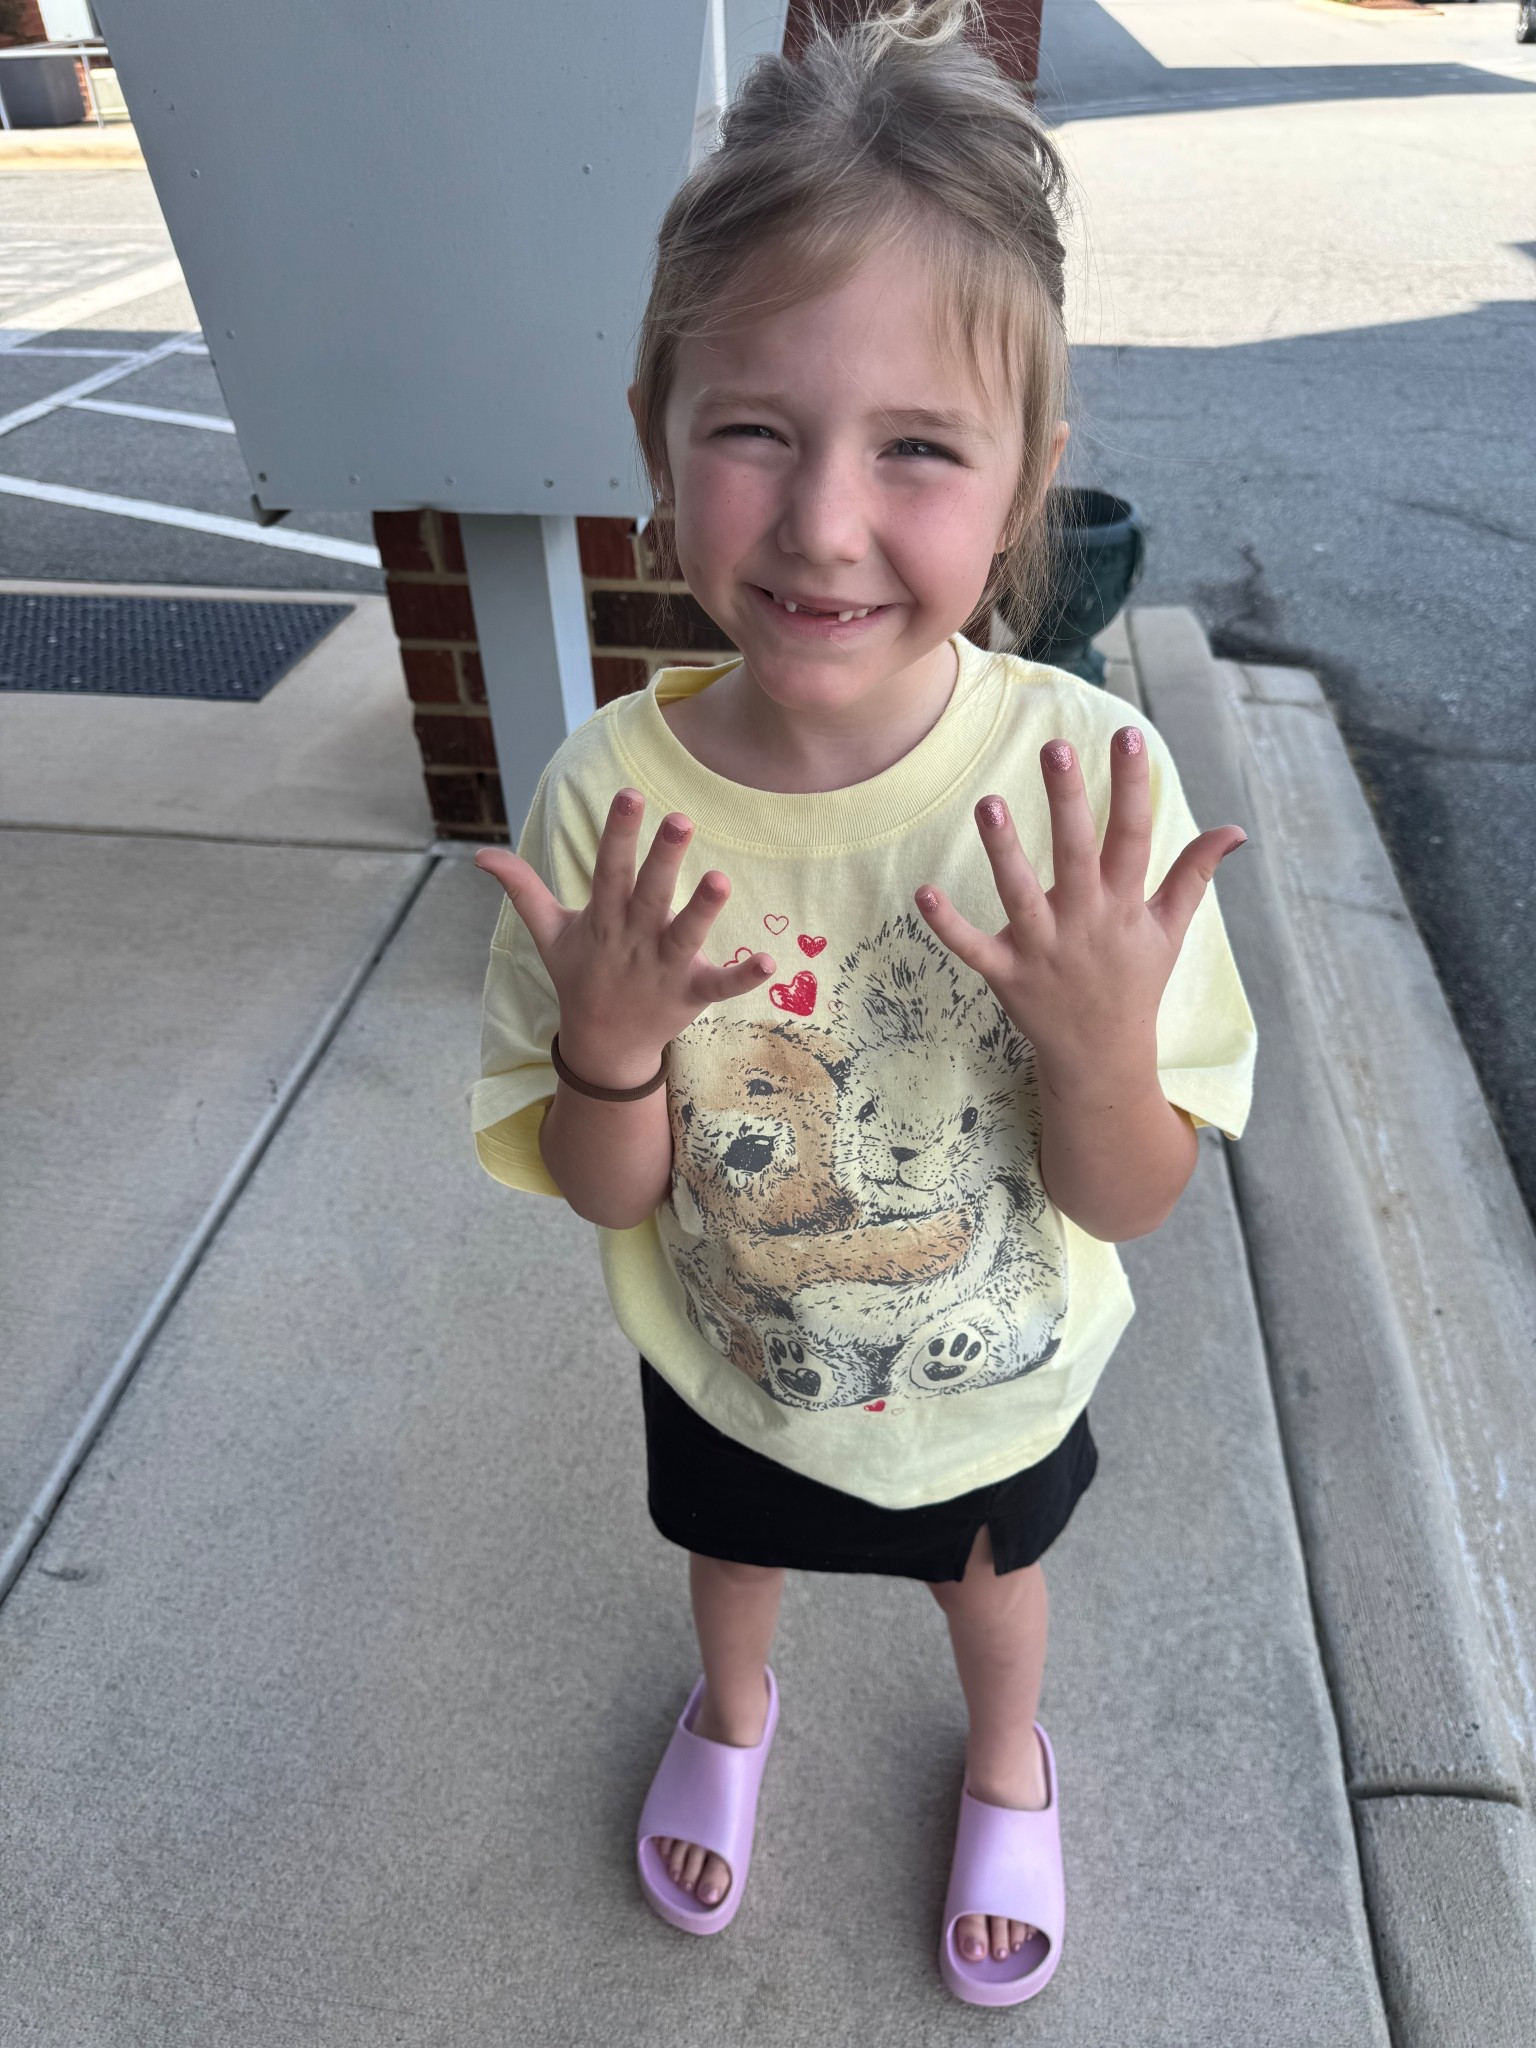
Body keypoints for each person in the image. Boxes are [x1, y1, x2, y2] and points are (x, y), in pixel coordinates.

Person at [468, 0, 1255, 2008]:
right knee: (732, 1552)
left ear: (1024, 484)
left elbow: (1134, 1195)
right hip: (732, 1345)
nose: (825, 520)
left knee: (993, 1577)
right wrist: (610, 1045)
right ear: (656, 436)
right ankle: (732, 1711)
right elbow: (604, 1188)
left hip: (994, 1365)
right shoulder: (610, 801)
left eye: (918, 447)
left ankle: (1007, 1759)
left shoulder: (1085, 794)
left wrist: (1100, 1045)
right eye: (756, 428)